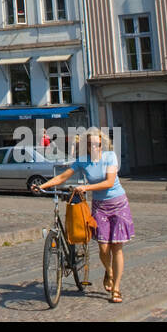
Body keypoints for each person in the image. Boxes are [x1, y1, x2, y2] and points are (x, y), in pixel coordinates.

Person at [33, 129, 134, 304]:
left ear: (102, 144)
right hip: (100, 207)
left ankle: (116, 289)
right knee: (103, 248)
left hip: (118, 204)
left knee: (116, 247)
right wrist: (43, 186)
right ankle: (109, 271)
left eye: (98, 144)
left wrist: (86, 188)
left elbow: (110, 182)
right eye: (91, 144)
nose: (95, 147)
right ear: (86, 145)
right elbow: (63, 177)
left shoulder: (110, 156)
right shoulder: (82, 161)